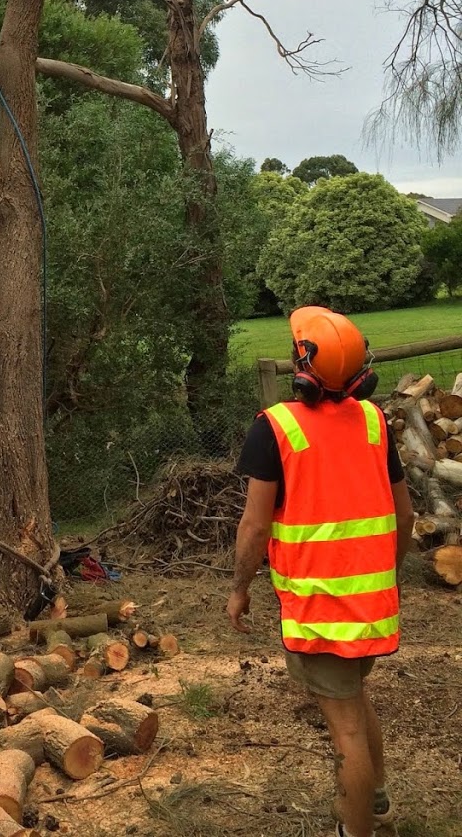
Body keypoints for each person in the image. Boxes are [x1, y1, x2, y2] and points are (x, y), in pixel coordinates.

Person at [228, 306, 413, 837]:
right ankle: (376, 801)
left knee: (346, 730)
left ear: (303, 365)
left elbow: (255, 528)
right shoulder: (375, 421)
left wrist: (239, 589)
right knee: (354, 701)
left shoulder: (276, 428)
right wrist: (386, 575)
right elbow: (404, 515)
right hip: (373, 606)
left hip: (319, 609)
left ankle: (355, 829)